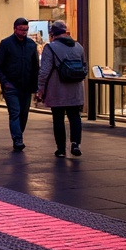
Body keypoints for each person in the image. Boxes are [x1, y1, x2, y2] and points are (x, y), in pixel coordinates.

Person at [36, 19, 86, 157]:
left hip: (57, 89)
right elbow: (84, 67)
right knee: (75, 117)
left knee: (58, 118)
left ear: (53, 34)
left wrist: (40, 88)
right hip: (76, 89)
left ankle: (61, 149)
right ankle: (75, 144)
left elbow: (44, 71)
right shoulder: (79, 47)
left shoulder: (50, 48)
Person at [0, 16, 39, 152]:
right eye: (21, 29)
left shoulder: (31, 45)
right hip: (11, 86)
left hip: (26, 86)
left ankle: (19, 135)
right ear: (15, 29)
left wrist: (36, 86)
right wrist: (5, 82)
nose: (24, 32)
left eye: (26, 29)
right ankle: (17, 139)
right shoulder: (6, 44)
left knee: (24, 114)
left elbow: (35, 67)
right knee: (15, 113)